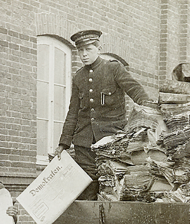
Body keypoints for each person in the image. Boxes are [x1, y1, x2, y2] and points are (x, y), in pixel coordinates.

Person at [53, 29, 152, 200]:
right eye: (80, 51)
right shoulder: (78, 77)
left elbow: (135, 91)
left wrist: (151, 111)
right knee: (88, 185)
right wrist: (64, 142)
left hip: (111, 140)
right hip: (84, 142)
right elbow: (73, 112)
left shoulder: (113, 68)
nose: (84, 55)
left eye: (88, 50)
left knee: (112, 185)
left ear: (99, 48)